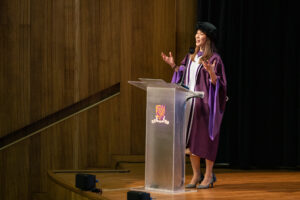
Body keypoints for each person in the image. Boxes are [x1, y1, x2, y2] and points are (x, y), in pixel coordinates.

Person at [161, 22, 227, 189]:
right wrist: (173, 66)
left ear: (208, 38)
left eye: (201, 34)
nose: (197, 36)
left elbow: (219, 84)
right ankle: (196, 174)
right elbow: (182, 76)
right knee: (191, 142)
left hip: (205, 105)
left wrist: (212, 72)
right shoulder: (191, 57)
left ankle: (209, 175)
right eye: (196, 33)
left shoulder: (214, 59)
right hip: (189, 105)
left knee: (207, 140)